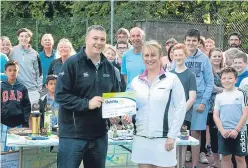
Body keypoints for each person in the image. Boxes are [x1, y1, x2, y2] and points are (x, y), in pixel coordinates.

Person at [55, 25, 125, 168]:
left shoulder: (109, 67)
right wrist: (87, 104)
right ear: (86, 39)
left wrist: (115, 116)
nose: (99, 42)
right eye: (95, 38)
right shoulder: (72, 63)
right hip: (73, 135)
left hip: (99, 135)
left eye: (102, 39)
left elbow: (114, 97)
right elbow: (60, 95)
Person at [130, 40, 186, 168]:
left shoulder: (172, 79)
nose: (150, 59)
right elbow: (133, 108)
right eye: (146, 55)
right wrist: (126, 117)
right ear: (142, 57)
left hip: (164, 139)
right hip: (141, 138)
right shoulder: (135, 81)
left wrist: (172, 136)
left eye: (153, 55)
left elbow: (181, 108)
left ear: (160, 56)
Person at [184, 29, 214, 168]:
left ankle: (195, 165)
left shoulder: (204, 59)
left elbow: (210, 83)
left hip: (199, 100)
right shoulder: (180, 56)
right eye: (188, 40)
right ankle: (181, 164)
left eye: (194, 41)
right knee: (181, 133)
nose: (191, 43)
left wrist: (203, 102)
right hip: (182, 101)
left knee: (195, 133)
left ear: (198, 42)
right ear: (185, 41)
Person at [213, 67, 248, 168]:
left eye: (230, 78)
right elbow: (216, 115)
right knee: (225, 157)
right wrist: (222, 130)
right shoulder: (219, 96)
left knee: (240, 158)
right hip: (224, 132)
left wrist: (237, 130)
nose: (226, 81)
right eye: (224, 78)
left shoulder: (242, 93)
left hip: (240, 131)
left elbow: (245, 114)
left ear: (236, 80)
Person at [171, 43, 197, 168]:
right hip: (170, 116)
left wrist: (180, 112)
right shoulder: (169, 74)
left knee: (182, 143)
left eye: (181, 54)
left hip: (185, 116)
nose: (178, 57)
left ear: (185, 56)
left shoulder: (190, 75)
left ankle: (181, 166)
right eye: (176, 55)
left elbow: (192, 98)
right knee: (171, 142)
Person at [9, 28, 42, 105]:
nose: (24, 38)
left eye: (26, 36)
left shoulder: (35, 53)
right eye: (21, 36)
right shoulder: (12, 51)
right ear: (18, 37)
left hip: (32, 91)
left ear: (29, 38)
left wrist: (39, 89)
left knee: (32, 116)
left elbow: (39, 72)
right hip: (16, 89)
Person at [207, 48, 224, 168]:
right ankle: (216, 161)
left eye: (219, 56)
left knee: (223, 133)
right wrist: (224, 90)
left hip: (225, 108)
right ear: (210, 58)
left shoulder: (225, 71)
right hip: (211, 108)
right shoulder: (208, 71)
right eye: (214, 56)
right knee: (213, 134)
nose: (217, 58)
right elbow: (211, 87)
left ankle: (225, 161)